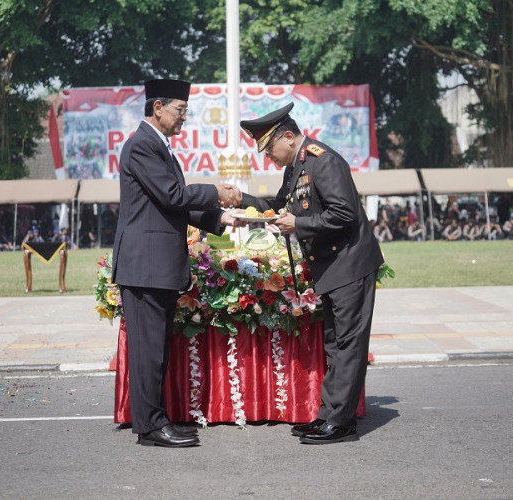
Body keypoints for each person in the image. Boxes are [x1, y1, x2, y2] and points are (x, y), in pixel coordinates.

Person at [229, 103, 383, 444]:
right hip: (331, 267)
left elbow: (345, 213)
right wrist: (242, 200)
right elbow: (277, 207)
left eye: (269, 148)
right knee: (335, 343)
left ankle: (340, 423)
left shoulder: (323, 161)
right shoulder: (296, 167)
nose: (269, 157)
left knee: (347, 344)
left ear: (288, 136)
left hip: (349, 264)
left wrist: (298, 224)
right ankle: (329, 416)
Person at [111, 78, 242, 448]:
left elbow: (173, 205)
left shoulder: (158, 148)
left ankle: (156, 420)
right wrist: (216, 192)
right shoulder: (142, 146)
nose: (184, 117)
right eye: (180, 110)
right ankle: (150, 427)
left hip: (156, 267)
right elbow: (172, 195)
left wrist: (219, 218)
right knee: (148, 352)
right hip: (146, 267)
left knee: (156, 350)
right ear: (158, 108)